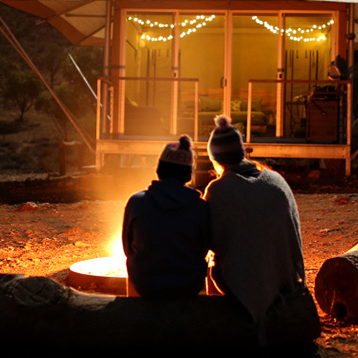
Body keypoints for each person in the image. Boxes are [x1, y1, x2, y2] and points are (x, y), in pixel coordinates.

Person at [204, 115, 306, 336]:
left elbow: (211, 240)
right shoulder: (276, 179)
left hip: (245, 286)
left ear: (216, 159)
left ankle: (218, 315)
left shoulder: (219, 189)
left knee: (211, 260)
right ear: (241, 153)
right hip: (285, 279)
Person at [121, 134, 209, 299]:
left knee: (133, 264)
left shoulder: (136, 202)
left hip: (146, 285)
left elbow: (128, 248)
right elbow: (203, 248)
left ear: (159, 169)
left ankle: (133, 311)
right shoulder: (200, 207)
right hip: (189, 285)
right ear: (188, 174)